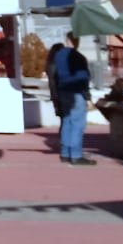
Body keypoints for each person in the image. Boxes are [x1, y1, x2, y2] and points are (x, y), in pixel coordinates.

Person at [48, 31, 95, 166]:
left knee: (67, 122)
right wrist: (87, 96)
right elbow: (83, 77)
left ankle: (65, 152)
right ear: (76, 40)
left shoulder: (58, 55)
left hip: (63, 91)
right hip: (76, 92)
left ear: (66, 39)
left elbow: (54, 74)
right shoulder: (78, 57)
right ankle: (75, 155)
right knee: (77, 124)